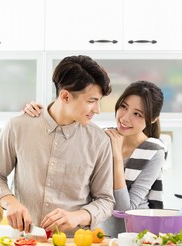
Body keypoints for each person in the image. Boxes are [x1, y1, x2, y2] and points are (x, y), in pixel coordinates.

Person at [0, 55, 115, 236]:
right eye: (91, 101)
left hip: (75, 245)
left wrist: (77, 216)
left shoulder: (99, 141)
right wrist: (10, 202)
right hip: (24, 242)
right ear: (65, 96)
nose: (97, 110)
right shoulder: (19, 126)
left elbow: (105, 200)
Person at [24, 80, 167, 237]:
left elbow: (126, 211)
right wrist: (42, 114)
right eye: (123, 107)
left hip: (136, 236)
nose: (125, 118)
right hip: (99, 234)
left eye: (137, 114)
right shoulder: (102, 137)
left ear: (153, 119)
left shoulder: (154, 151)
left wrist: (117, 158)